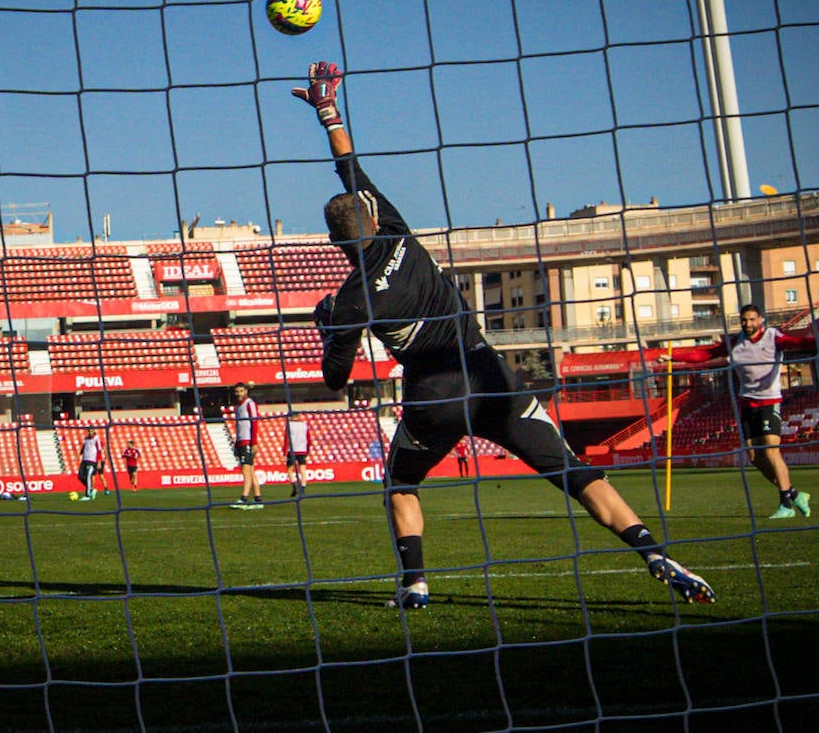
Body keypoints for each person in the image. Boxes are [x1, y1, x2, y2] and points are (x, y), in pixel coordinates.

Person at [294, 60, 715, 609]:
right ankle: (654, 553)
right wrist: (328, 110)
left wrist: (331, 328)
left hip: (433, 396)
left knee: (401, 484)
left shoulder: (352, 300)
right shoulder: (397, 231)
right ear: (373, 220)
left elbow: (334, 380)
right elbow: (348, 164)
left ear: (335, 243)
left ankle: (416, 584)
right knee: (576, 473)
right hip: (492, 377)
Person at [666, 304, 819, 520]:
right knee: (754, 456)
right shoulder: (736, 342)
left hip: (769, 401)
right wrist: (675, 357)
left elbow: (796, 343)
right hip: (747, 403)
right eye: (744, 320)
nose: (748, 324)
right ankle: (795, 494)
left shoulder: (773, 337)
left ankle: (786, 505)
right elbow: (705, 354)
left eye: (752, 319)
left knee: (771, 451)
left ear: (760, 320)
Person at [229, 383, 264, 510]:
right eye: (237, 391)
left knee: (246, 470)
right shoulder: (238, 406)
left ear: (246, 391)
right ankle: (258, 499)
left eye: (241, 391)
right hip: (240, 441)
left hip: (247, 441)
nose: (239, 393)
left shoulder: (250, 404)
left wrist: (254, 442)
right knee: (250, 470)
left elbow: (254, 422)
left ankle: (243, 498)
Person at [284, 419, 309, 497]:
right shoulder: (304, 425)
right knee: (302, 470)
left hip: (292, 450)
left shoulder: (289, 425)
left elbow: (286, 439)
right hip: (302, 450)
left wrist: (284, 453)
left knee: (290, 469)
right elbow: (309, 439)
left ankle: (294, 487)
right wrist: (307, 452)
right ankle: (302, 489)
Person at [77, 427, 103, 501]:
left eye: (91, 431)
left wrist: (99, 462)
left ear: (94, 431)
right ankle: (91, 489)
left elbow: (99, 451)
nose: (90, 432)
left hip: (92, 460)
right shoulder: (86, 439)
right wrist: (79, 454)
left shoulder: (96, 439)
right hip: (84, 460)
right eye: (89, 431)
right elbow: (84, 447)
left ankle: (87, 495)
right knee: (80, 476)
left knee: (88, 476)